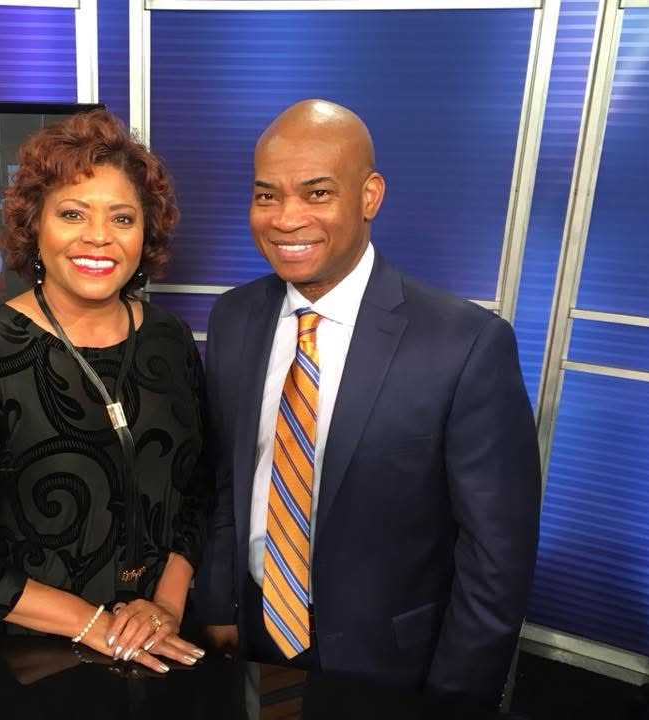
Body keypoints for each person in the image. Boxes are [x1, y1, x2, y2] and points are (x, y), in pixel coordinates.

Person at [193, 99, 541, 706]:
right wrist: (219, 601)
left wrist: (455, 700)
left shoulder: (466, 343)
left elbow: (496, 557)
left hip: (391, 668)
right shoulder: (233, 317)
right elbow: (228, 477)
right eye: (267, 195)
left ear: (369, 196)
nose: (286, 218)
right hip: (254, 633)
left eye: (317, 193)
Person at [0, 109, 208, 674]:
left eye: (122, 217)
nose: (98, 236)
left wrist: (165, 606)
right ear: (34, 226)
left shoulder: (170, 339)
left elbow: (198, 489)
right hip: (33, 657)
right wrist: (93, 625)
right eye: (72, 214)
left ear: (146, 233)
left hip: (158, 640)